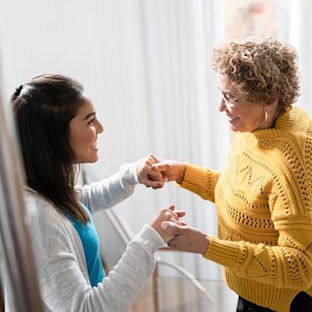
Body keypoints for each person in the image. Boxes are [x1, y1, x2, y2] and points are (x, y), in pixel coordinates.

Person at [155, 36, 312, 312]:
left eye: (230, 98)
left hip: (289, 302)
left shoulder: (296, 162)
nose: (220, 107)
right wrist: (181, 173)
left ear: (269, 98)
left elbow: (299, 266)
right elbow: (245, 193)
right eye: (221, 94)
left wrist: (207, 246)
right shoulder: (255, 128)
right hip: (257, 288)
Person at [10, 74, 184, 312]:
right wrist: (149, 239)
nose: (100, 128)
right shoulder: (39, 219)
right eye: (90, 121)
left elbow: (85, 200)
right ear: (55, 135)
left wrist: (133, 173)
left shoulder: (50, 194)